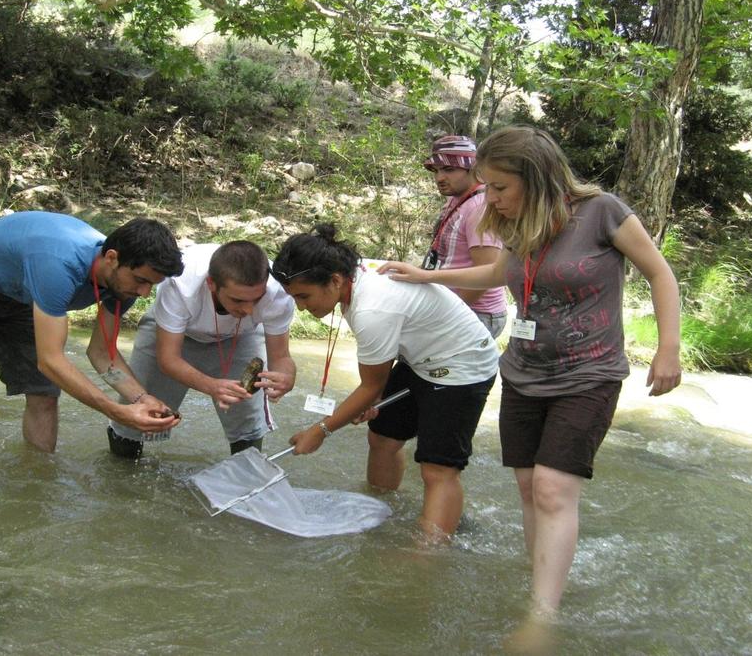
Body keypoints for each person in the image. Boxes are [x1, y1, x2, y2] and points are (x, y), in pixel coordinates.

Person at [379, 125, 682, 645]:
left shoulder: (603, 211)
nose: (490, 197)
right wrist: (426, 276)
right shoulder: (517, 220)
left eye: (499, 187)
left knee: (551, 487)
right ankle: (540, 581)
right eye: (487, 187)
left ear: (536, 178)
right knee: (528, 487)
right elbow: (497, 274)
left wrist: (668, 347)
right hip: (523, 371)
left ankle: (542, 617)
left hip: (589, 371)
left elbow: (660, 272)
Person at [271, 224, 498, 541]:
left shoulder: (372, 307)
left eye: (304, 296)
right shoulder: (354, 278)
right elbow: (372, 387)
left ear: (335, 280)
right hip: (419, 359)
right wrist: (362, 404)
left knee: (438, 469)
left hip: (463, 367)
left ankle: (428, 554)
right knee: (382, 438)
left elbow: (370, 387)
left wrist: (320, 430)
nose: (301, 307)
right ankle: (380, 510)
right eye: (294, 298)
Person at [0, 211, 185, 476]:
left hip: (22, 294)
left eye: (152, 285)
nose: (144, 293)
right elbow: (50, 361)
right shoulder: (59, 266)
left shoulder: (123, 286)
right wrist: (117, 411)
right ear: (111, 258)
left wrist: (141, 398)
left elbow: (102, 354)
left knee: (44, 394)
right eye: (141, 280)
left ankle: (37, 489)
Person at [107, 241, 297, 459]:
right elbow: (168, 359)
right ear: (211, 284)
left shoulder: (278, 292)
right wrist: (211, 386)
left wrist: (286, 377)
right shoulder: (180, 282)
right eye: (238, 300)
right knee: (138, 413)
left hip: (241, 336)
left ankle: (245, 478)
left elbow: (281, 357)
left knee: (247, 418)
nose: (248, 309)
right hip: (175, 333)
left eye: (257, 299)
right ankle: (122, 472)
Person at [422, 135, 509, 338]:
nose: (439, 177)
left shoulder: (479, 208)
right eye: (436, 170)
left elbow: (488, 272)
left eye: (449, 169)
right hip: (457, 306)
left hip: (476, 313)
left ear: (472, 168)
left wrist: (449, 314)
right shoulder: (458, 200)